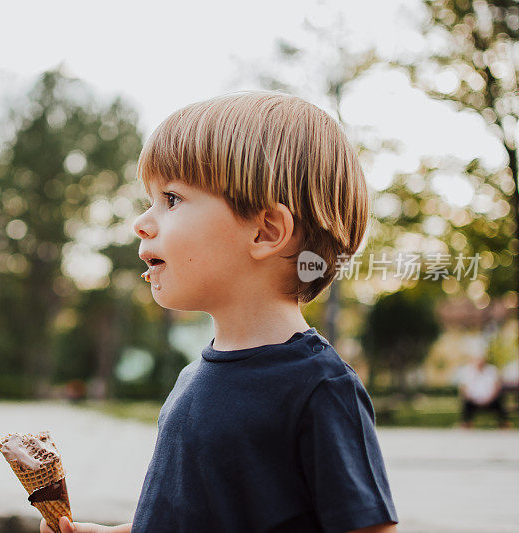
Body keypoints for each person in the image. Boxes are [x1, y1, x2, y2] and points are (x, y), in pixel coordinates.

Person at [41, 92, 398, 532]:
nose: (141, 221)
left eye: (170, 199)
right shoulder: (194, 379)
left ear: (266, 231)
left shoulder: (319, 388)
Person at [458, 354, 510, 429]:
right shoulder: (467, 371)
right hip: (473, 401)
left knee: (500, 400)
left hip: (491, 399)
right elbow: (463, 389)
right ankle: (466, 424)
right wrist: (472, 398)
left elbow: (497, 386)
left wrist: (490, 398)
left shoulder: (492, 370)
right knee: (465, 402)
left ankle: (504, 423)